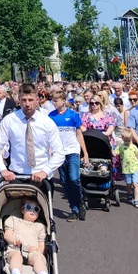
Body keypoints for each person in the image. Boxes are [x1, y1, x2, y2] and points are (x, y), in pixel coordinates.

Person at [0, 84, 65, 183]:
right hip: (17, 176)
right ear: (19, 100)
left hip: (41, 176)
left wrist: (45, 171)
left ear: (37, 100)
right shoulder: (9, 120)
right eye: (24, 100)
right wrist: (2, 169)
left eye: (30, 100)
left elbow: (59, 152)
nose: (27, 104)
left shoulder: (47, 122)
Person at [48, 91, 88, 221]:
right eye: (53, 100)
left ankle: (80, 200)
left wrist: (85, 153)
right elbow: (49, 137)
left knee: (74, 178)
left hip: (72, 151)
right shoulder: (51, 116)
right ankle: (74, 209)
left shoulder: (73, 115)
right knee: (65, 182)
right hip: (59, 153)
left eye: (57, 100)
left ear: (64, 101)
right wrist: (49, 151)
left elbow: (79, 134)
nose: (54, 103)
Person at [2, 198, 53, 274]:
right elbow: (7, 234)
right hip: (16, 249)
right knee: (16, 256)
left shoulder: (40, 226)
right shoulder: (14, 220)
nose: (32, 211)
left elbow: (41, 243)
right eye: (29, 207)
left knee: (38, 258)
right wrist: (14, 240)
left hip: (32, 252)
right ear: (22, 210)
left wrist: (38, 250)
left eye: (36, 209)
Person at [118, 130, 138, 207]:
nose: (127, 142)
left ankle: (136, 200)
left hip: (135, 168)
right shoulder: (121, 147)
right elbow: (115, 153)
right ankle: (129, 193)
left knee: (135, 184)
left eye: (128, 141)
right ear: (122, 139)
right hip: (126, 169)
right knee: (129, 184)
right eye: (125, 141)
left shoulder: (133, 147)